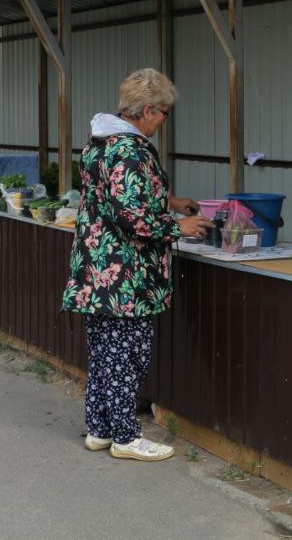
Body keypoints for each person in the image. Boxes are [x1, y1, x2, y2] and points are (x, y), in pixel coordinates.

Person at [61, 68, 211, 462]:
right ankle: (126, 438)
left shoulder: (101, 142)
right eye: (163, 112)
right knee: (127, 355)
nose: (164, 120)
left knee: (104, 352)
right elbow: (132, 215)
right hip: (124, 274)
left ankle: (100, 429)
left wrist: (171, 200)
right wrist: (178, 226)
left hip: (97, 268)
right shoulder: (131, 149)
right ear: (146, 111)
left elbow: (117, 197)